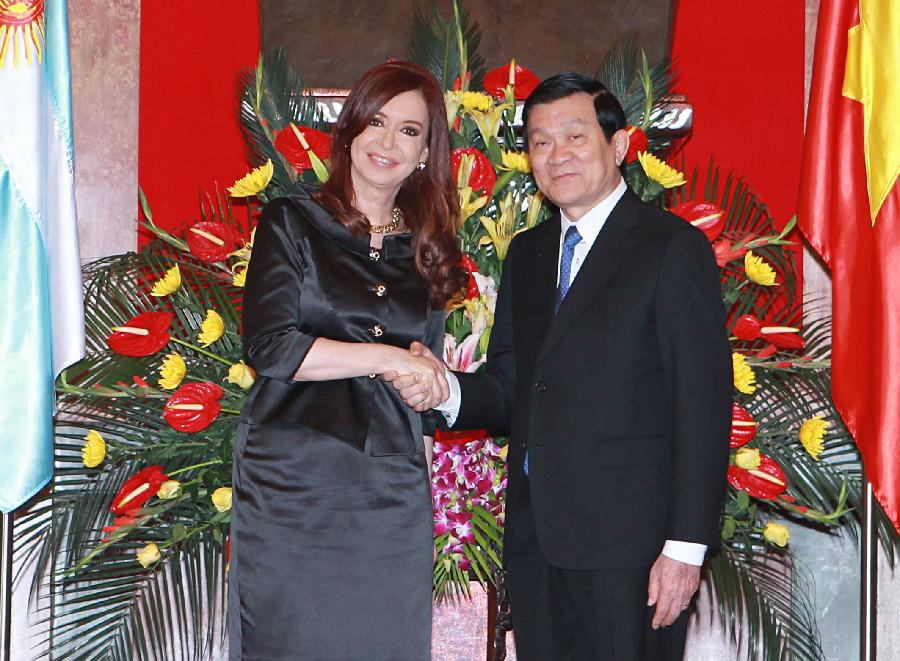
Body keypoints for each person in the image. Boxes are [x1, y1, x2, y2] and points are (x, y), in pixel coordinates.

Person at [389, 73, 732, 660]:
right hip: (538, 540)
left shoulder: (670, 249)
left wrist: (686, 546)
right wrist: (443, 390)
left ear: (618, 146)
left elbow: (702, 405)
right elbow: (513, 385)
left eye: (575, 136)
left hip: (635, 550)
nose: (557, 155)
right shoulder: (530, 252)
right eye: (541, 143)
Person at [228, 61, 463, 660]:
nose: (388, 143)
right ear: (352, 128)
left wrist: (429, 391)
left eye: (409, 131)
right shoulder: (292, 219)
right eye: (377, 122)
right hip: (291, 477)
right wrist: (385, 357)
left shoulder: (429, 247)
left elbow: (423, 365)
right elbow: (271, 347)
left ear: (427, 151)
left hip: (390, 484)